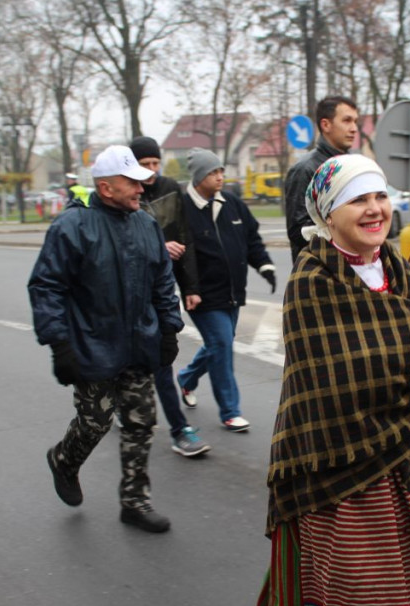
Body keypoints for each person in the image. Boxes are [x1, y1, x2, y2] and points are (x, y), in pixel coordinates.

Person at [257, 154, 410, 606]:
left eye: (380, 196)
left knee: (408, 591)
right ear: (327, 213)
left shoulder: (399, 271)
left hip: (406, 464)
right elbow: (355, 380)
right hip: (340, 473)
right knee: (360, 600)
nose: (374, 210)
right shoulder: (312, 282)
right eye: (357, 200)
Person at [30, 145, 183, 534]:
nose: (140, 189)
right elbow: (46, 286)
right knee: (95, 422)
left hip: (139, 345)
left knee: (140, 422)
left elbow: (163, 282)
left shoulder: (146, 225)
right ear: (105, 187)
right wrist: (59, 343)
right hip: (91, 347)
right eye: (131, 182)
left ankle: (135, 501)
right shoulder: (72, 227)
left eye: (142, 182)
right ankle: (64, 459)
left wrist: (169, 328)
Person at [176, 148, 276, 433]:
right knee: (221, 344)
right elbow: (181, 256)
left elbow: (252, 238)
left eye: (221, 171)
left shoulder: (231, 203)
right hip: (201, 296)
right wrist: (189, 289)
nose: (220, 176)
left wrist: (265, 265)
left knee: (218, 344)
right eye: (213, 172)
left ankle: (186, 378)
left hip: (232, 292)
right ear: (198, 177)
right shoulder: (182, 210)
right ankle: (230, 411)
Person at [129, 136, 208, 457]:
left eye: (155, 163)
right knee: (127, 364)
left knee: (162, 362)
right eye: (144, 164)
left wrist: (190, 287)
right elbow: (121, 243)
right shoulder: (124, 194)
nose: (151, 170)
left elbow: (184, 237)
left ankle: (179, 430)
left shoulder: (170, 188)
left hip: (160, 291)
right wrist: (159, 247)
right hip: (128, 295)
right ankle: (121, 409)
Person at [284, 95, 359, 261]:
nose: (354, 128)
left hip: (353, 270)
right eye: (347, 120)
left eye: (355, 121)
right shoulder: (305, 169)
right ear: (326, 125)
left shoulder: (353, 167)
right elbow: (299, 231)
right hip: (318, 275)